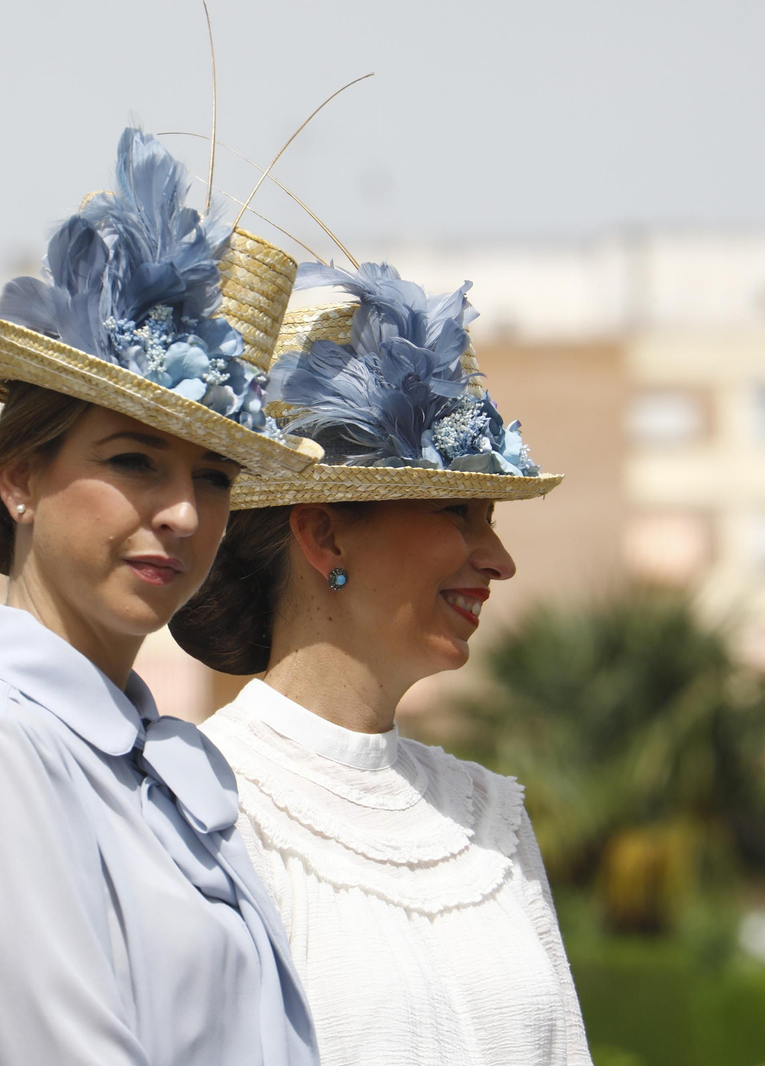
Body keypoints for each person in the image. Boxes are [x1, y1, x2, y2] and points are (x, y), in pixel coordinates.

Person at [0, 127, 324, 1066]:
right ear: (21, 478)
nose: (185, 513)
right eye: (134, 462)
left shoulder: (162, 761)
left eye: (216, 477)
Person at [170, 262, 593, 1065]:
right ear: (325, 534)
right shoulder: (204, 801)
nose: (498, 559)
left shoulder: (486, 812)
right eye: (457, 513)